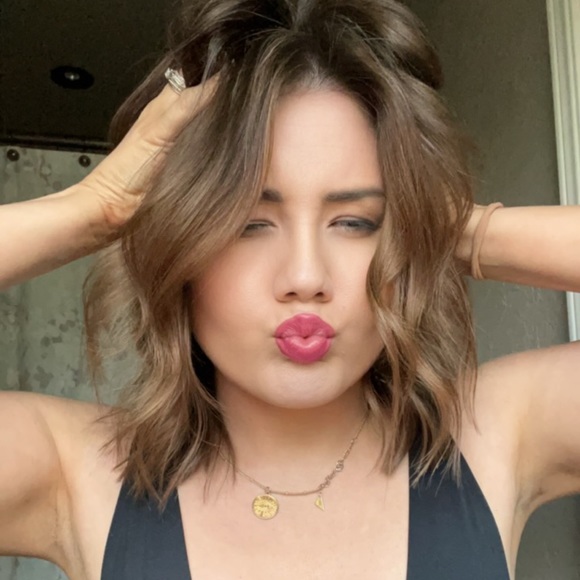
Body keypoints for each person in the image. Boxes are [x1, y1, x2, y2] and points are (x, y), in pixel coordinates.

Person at [1, 0, 579, 579]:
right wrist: (94, 209)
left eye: (355, 222)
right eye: (248, 224)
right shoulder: (76, 472)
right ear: (182, 246)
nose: (305, 277)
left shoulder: (492, 436)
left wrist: (460, 230)